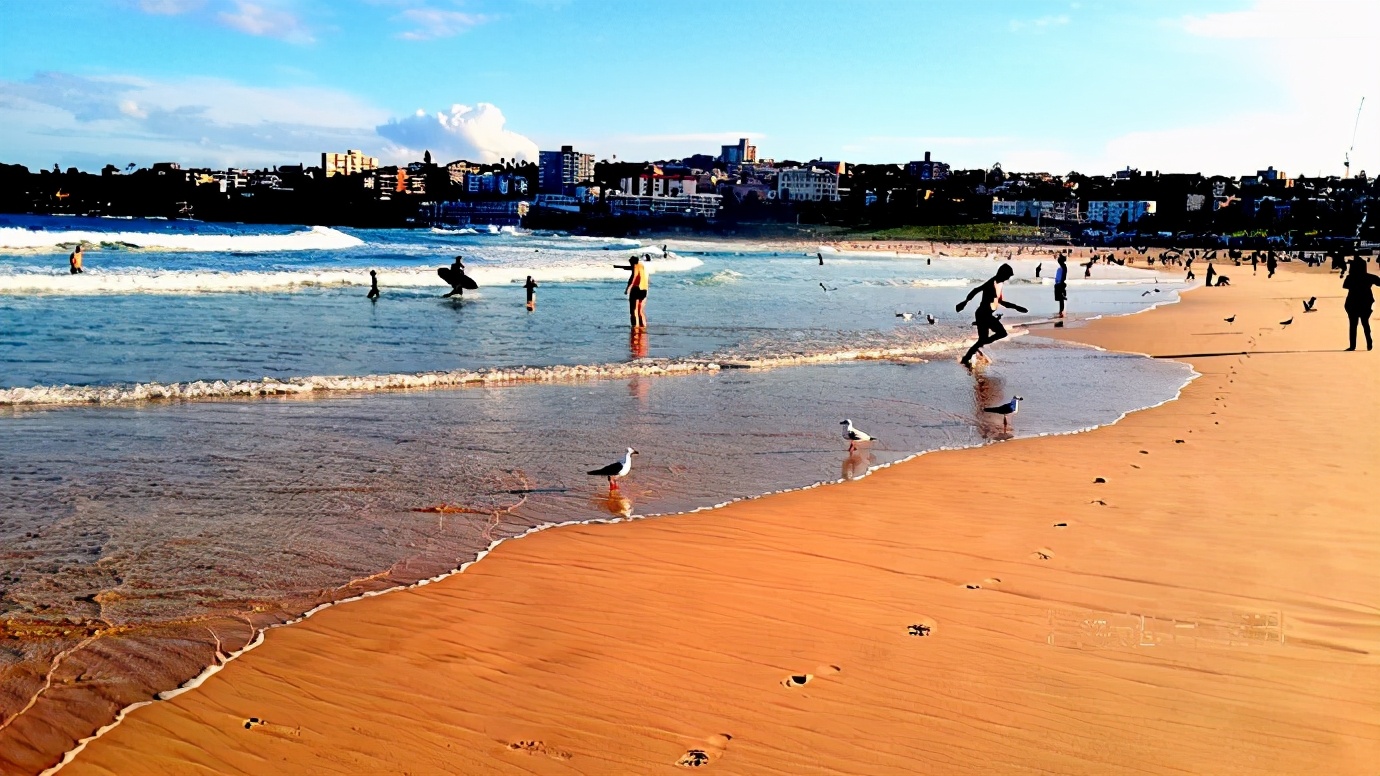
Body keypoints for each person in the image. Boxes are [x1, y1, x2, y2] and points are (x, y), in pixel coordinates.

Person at [956, 263, 1027, 366]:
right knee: (1001, 333)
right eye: (1007, 276)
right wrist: (966, 301)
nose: (1007, 279)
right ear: (1002, 273)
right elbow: (976, 290)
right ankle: (970, 354)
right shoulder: (991, 283)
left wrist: (1016, 307)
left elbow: (1001, 301)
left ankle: (969, 356)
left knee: (984, 339)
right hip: (983, 315)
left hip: (985, 315)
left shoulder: (1000, 284)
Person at [1343, 257, 1379, 351]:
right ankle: (1369, 343)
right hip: (1365, 303)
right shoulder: (1369, 277)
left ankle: (1352, 346)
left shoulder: (1350, 277)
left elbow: (1345, 286)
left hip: (1352, 303)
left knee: (1353, 325)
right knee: (1365, 323)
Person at [625, 254, 648, 328]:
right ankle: (644, 327)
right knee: (640, 311)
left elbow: (633, 277)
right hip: (644, 289)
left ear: (632, 262)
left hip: (636, 289)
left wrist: (628, 288)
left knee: (633, 311)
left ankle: (635, 328)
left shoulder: (635, 267)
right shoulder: (641, 266)